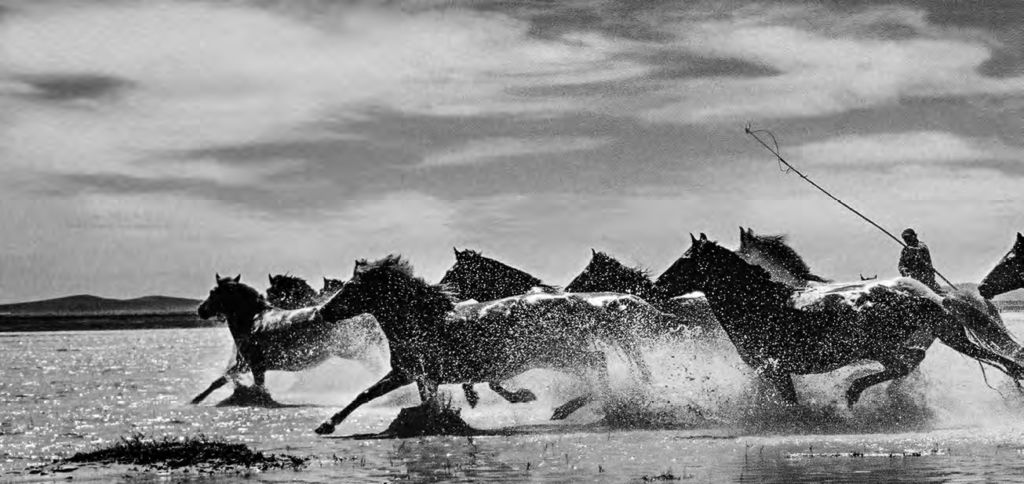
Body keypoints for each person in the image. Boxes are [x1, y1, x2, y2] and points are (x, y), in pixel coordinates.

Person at [898, 228, 941, 292]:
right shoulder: (905, 251)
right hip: (915, 281)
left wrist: (913, 250)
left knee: (938, 292)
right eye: (905, 238)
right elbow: (901, 265)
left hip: (928, 280)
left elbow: (921, 249)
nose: (907, 239)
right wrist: (903, 270)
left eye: (908, 237)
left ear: (915, 236)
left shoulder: (922, 246)